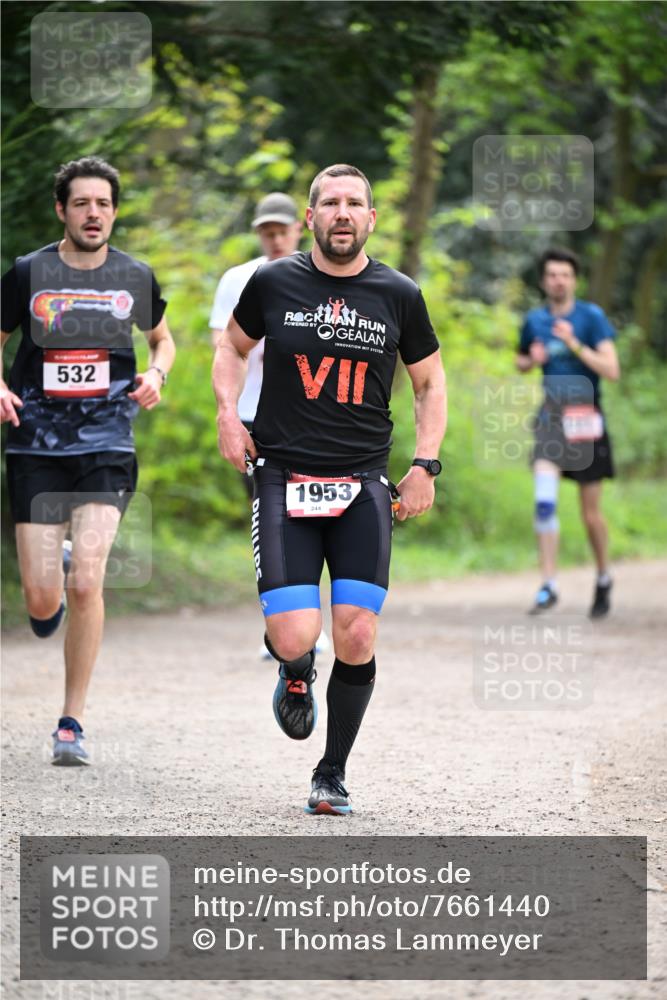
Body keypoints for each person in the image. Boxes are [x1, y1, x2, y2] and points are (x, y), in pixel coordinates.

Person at [213, 163, 446, 814]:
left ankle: (331, 773)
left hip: (362, 482)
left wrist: (425, 464)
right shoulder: (273, 281)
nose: (342, 213)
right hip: (282, 474)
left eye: (353, 203)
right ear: (310, 218)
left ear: (371, 218)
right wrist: (228, 415)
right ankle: (295, 672)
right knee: (294, 635)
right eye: (330, 203)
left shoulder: (399, 293)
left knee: (357, 633)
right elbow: (231, 349)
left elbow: (429, 383)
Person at [1, 156, 175, 765]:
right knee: (41, 598)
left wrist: (156, 373)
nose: (93, 213)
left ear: (115, 211)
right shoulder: (29, 272)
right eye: (81, 203)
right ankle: (51, 583)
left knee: (87, 582)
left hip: (107, 442)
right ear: (62, 210)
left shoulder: (135, 275)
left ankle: (71, 722)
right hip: (35, 444)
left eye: (103, 203)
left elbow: (162, 339)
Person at [209, 194, 329, 657]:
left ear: (300, 228)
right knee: (272, 519)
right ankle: (283, 623)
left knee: (315, 517)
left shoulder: (319, 277)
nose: (276, 238)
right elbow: (222, 344)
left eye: (282, 230)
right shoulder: (239, 279)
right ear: (259, 234)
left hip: (310, 416)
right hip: (252, 416)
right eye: (267, 232)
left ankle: (307, 623)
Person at [516, 248, 620, 618]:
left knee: (590, 514)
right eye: (552, 275)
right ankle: (549, 584)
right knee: (544, 503)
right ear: (544, 281)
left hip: (586, 419)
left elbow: (612, 369)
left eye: (565, 275)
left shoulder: (591, 317)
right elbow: (521, 360)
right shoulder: (534, 320)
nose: (558, 281)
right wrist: (532, 360)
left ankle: (604, 575)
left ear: (574, 280)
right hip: (551, 419)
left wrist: (575, 344)